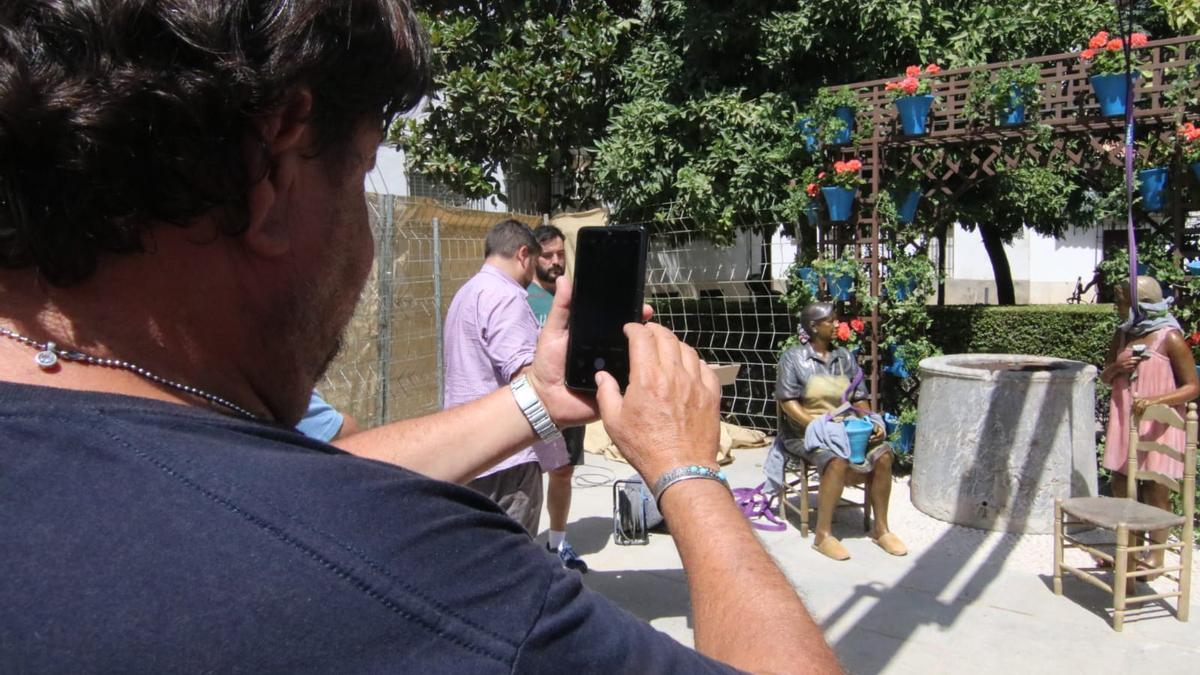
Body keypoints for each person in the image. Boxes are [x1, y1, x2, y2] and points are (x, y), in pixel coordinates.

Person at [0, 2, 839, 672]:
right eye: (364, 171)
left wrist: (536, 401)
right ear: (274, 169)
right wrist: (687, 471)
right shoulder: (434, 574)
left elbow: (303, 483)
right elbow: (317, 514)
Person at [441, 219, 570, 535]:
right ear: (524, 254)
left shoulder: (467, 292)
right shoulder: (507, 296)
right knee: (512, 554)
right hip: (507, 458)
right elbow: (526, 378)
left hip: (468, 449)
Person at [776, 303, 907, 561]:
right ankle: (823, 535)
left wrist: (871, 422)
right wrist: (817, 426)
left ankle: (881, 529)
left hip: (844, 428)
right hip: (805, 433)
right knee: (834, 460)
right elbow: (787, 402)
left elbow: (858, 397)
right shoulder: (793, 358)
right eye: (831, 321)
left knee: (883, 455)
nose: (837, 325)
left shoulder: (844, 357)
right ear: (814, 327)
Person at [1098, 275, 1198, 581]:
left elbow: (1193, 387)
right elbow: (1104, 376)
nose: (1116, 306)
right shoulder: (1123, 334)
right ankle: (1127, 551)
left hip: (1158, 422)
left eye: (1121, 301)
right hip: (1124, 416)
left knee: (1156, 488)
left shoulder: (1170, 338)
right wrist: (1117, 368)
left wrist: (1157, 399)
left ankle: (1154, 557)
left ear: (1139, 305)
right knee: (1120, 483)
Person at [527, 224, 588, 571]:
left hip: (568, 398)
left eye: (559, 255)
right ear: (533, 256)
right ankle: (521, 545)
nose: (554, 261)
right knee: (526, 474)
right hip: (532, 401)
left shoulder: (573, 296)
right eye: (547, 255)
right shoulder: (521, 296)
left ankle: (558, 542)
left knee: (562, 472)